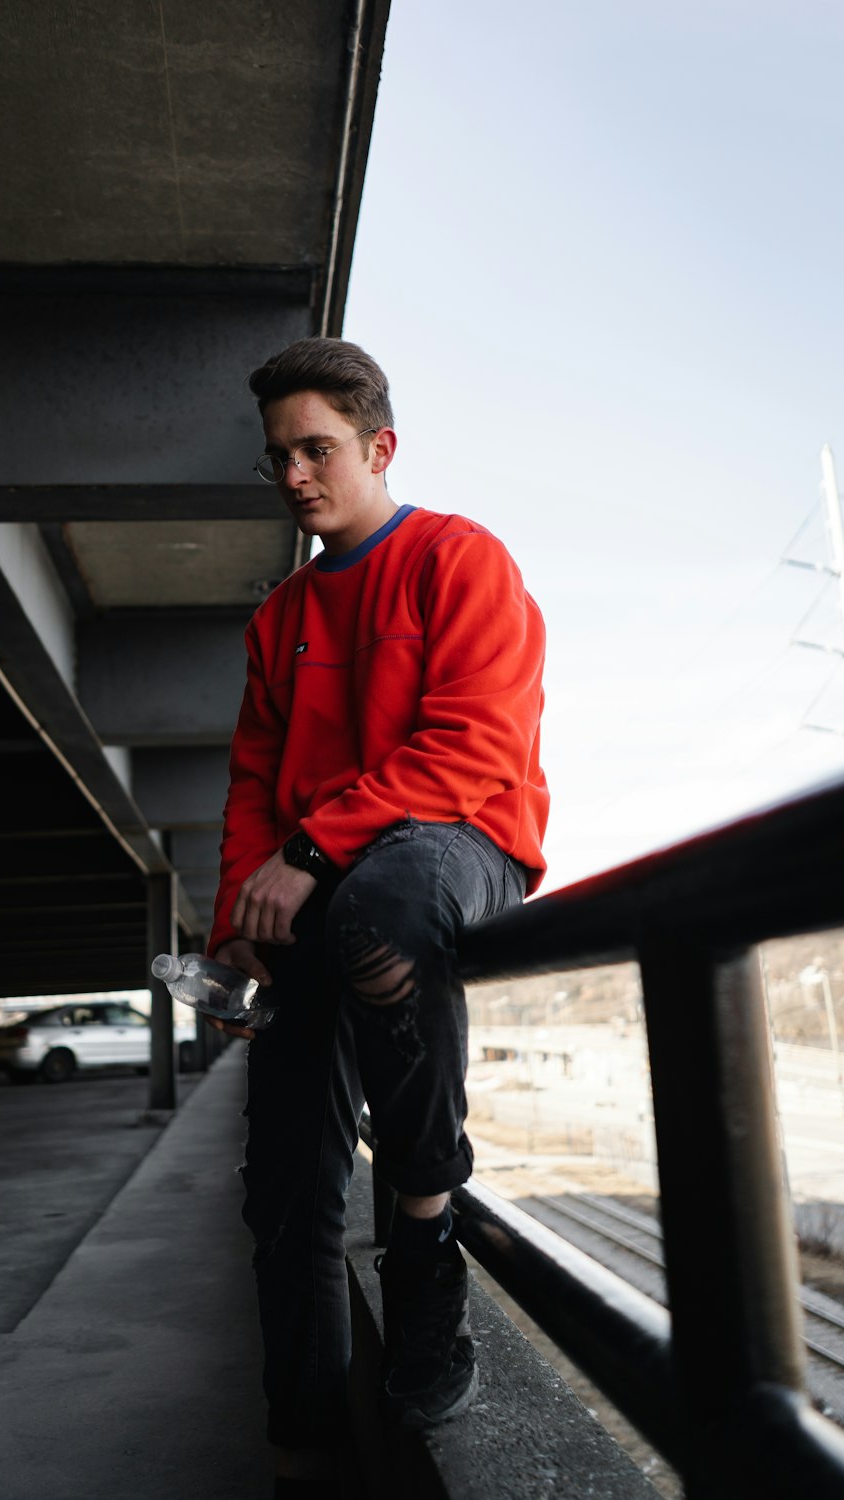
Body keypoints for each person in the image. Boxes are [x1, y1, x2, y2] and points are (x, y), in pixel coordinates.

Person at [208, 337, 548, 1496]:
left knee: (391, 901)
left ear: (378, 446)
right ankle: (307, 1431)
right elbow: (251, 783)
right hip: (318, 887)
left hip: (455, 846)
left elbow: (476, 745)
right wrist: (236, 923)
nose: (295, 475)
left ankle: (424, 1228)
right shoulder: (279, 619)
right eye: (278, 458)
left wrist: (309, 851)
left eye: (317, 449)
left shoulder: (459, 558)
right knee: (285, 1178)